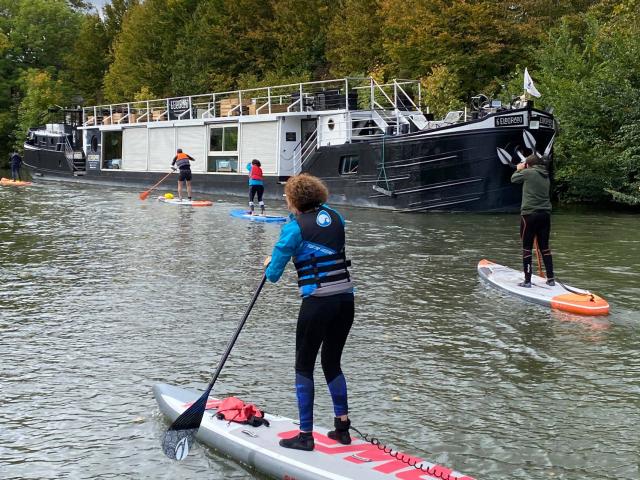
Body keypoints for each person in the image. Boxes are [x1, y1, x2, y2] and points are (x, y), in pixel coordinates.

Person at [264, 174, 354, 451]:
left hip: (317, 303)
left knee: (304, 365)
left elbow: (273, 274)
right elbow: (323, 236)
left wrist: (270, 261)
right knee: (331, 361)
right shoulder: (335, 215)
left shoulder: (293, 228)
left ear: (293, 200)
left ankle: (305, 436)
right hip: (345, 300)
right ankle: (342, 428)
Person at [511, 154, 554, 287]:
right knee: (545, 248)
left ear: (528, 165)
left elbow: (513, 179)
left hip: (529, 215)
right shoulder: (546, 175)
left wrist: (519, 168)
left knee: (527, 249)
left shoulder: (528, 172)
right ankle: (551, 279)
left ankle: (527, 281)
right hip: (545, 215)